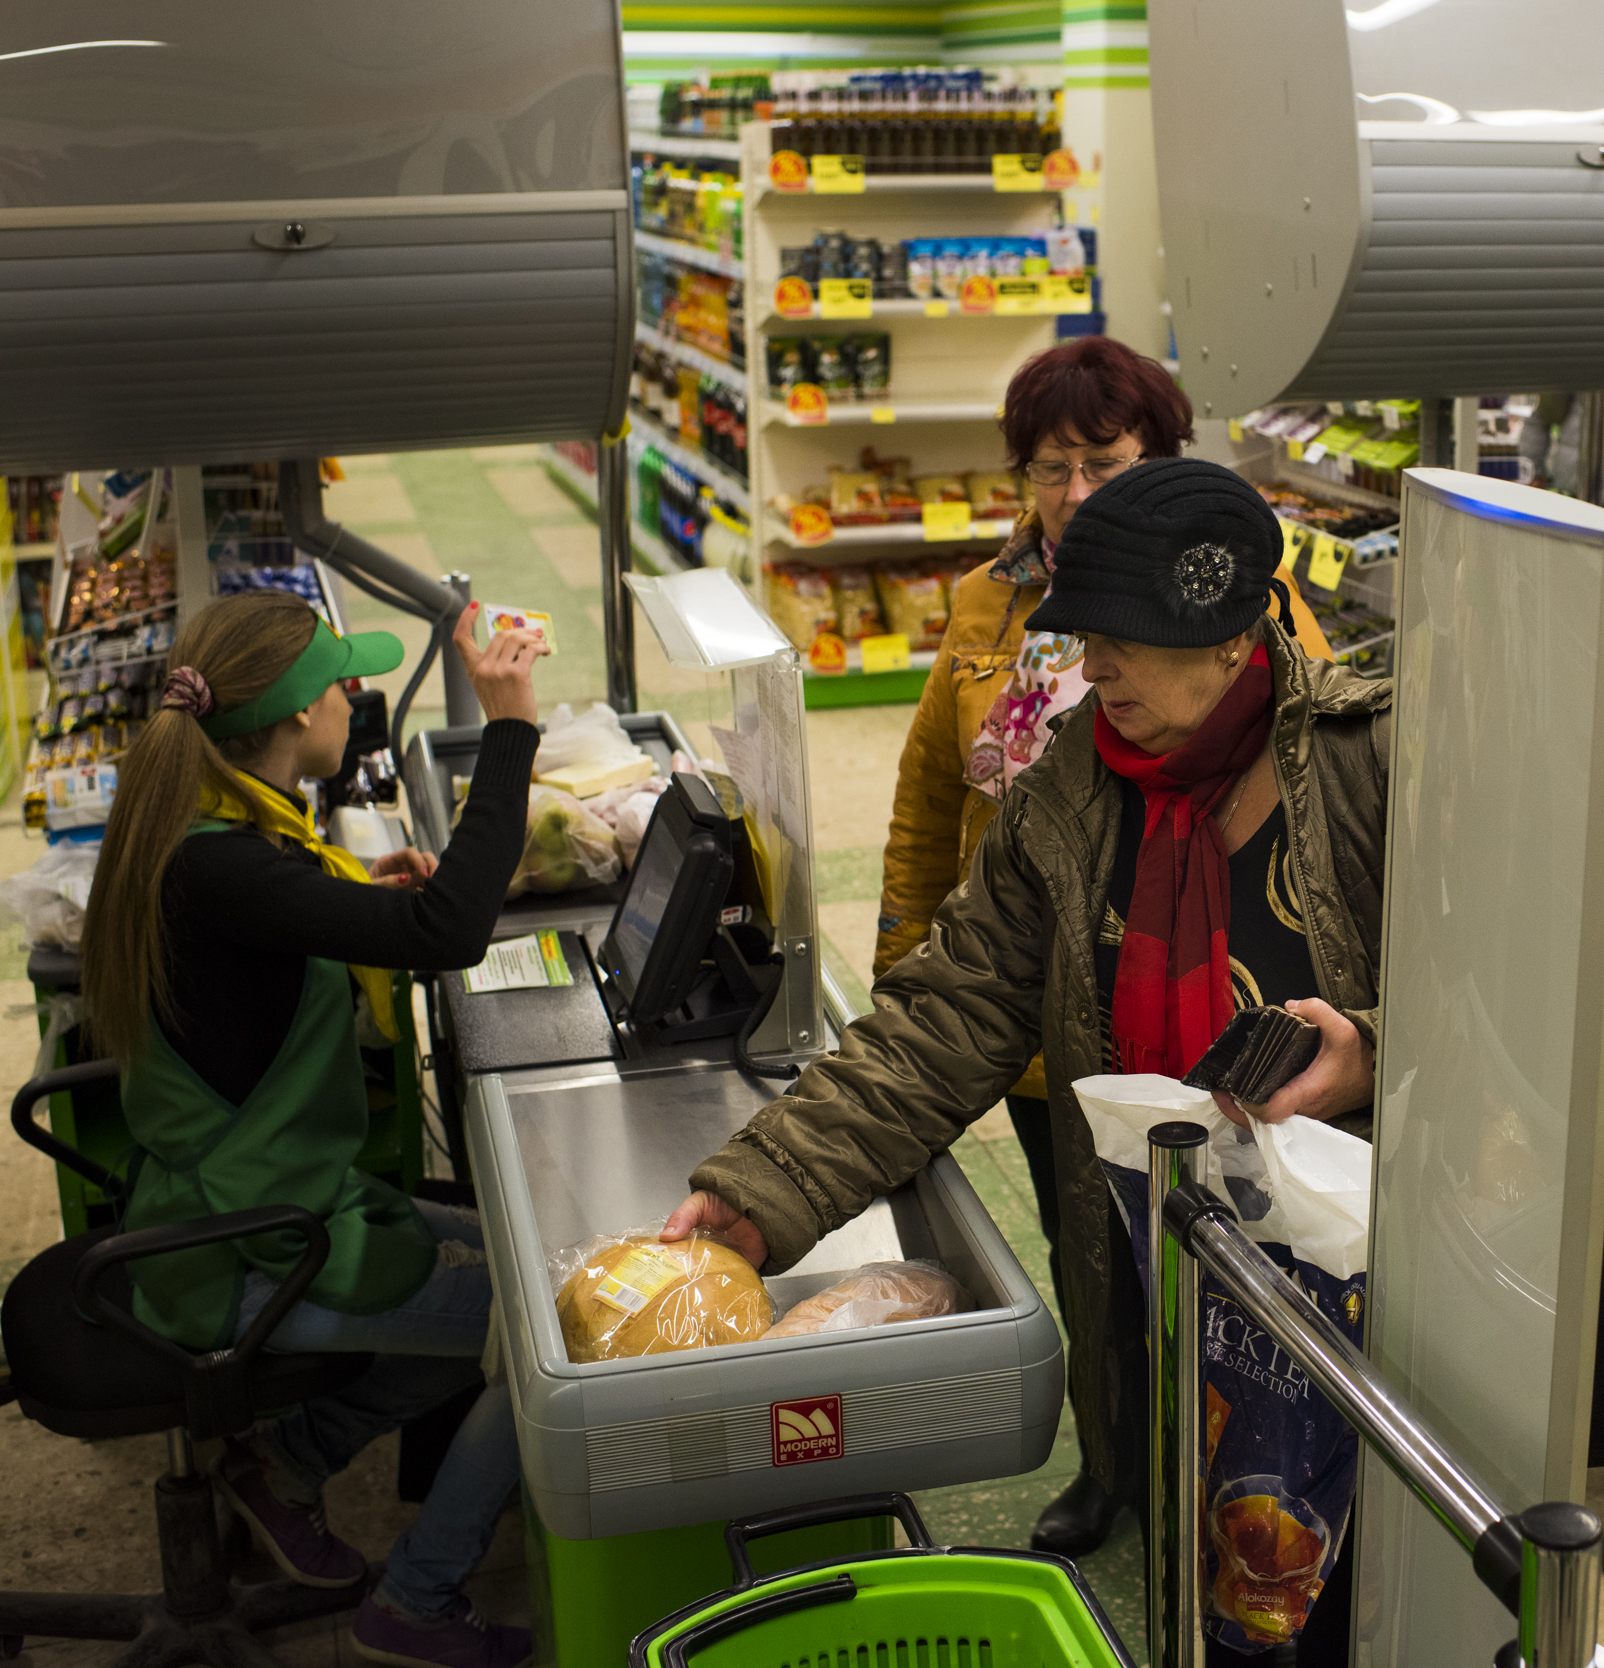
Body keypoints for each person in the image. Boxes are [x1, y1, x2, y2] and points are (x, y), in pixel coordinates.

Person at [666, 459, 1392, 1667]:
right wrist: (767, 1187)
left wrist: (1380, 1055)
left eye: (1122, 641)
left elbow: (1520, 1019)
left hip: (1357, 1286)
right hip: (1156, 1259)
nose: (1090, 669)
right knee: (1203, 1553)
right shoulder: (1072, 794)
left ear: (1228, 636)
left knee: (1354, 1585)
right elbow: (950, 1011)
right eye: (1083, 636)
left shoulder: (1375, 767)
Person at [874, 337, 1333, 1555]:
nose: (1072, 493)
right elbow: (928, 797)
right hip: (1039, 1010)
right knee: (1093, 1254)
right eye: (1048, 468)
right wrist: (902, 960)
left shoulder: (1247, 600)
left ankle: (1233, 1475)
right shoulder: (986, 602)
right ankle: (1115, 1462)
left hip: (1209, 1011)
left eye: (1102, 463)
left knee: (1236, 1268)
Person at [83, 593, 547, 1668]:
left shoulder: (206, 830)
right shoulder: (221, 869)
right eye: (342, 681)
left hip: (248, 1202)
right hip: (245, 1246)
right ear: (295, 714)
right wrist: (511, 730)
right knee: (543, 1334)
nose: (355, 697)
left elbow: (267, 927)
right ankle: (415, 1602)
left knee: (504, 1261)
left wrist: (352, 896)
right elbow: (450, 931)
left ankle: (283, 1464)